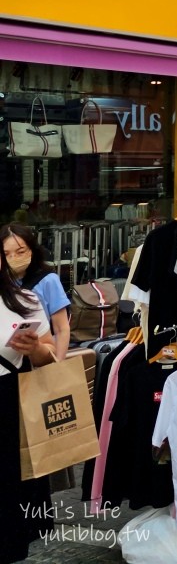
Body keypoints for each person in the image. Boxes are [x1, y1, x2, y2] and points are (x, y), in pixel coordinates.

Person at [0, 263, 58, 564]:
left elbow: (48, 354)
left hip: (11, 403)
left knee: (9, 499)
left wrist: (33, 348)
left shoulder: (24, 300)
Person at [1, 223, 70, 359]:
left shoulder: (48, 280)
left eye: (20, 252)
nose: (13, 258)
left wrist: (58, 364)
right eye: (6, 254)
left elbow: (61, 329)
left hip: (42, 355)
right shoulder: (4, 283)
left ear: (31, 250)